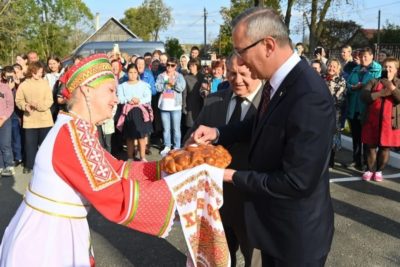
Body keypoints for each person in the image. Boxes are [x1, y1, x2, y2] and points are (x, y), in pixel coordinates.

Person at [189, 7, 335, 266]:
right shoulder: (280, 81)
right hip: (274, 230)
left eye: (242, 52)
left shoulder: (308, 95)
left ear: (268, 45)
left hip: (294, 241)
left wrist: (228, 175)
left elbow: (297, 182)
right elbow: (263, 123)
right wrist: (219, 132)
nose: (240, 62)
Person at [0, 54, 176, 266]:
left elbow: (118, 169)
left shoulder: (76, 128)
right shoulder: (73, 133)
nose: (116, 99)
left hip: (55, 232)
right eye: (110, 90)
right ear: (86, 90)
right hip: (47, 243)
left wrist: (167, 168)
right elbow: (113, 194)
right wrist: (184, 188)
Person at [185, 54, 263, 267]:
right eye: (232, 73)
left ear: (257, 71)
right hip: (215, 202)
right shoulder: (213, 101)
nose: (237, 79)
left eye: (244, 74)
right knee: (216, 259)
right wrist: (194, 143)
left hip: (253, 203)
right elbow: (189, 143)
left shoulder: (271, 105)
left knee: (255, 261)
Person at [360, 57, 400, 182]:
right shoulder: (374, 81)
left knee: (385, 148)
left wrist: (391, 87)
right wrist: (380, 93)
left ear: (396, 70)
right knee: (370, 146)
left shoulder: (398, 83)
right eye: (385, 67)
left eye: (390, 67)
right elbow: (364, 96)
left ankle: (379, 171)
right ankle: (369, 169)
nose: (387, 69)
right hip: (372, 120)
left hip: (389, 123)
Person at [346, 47, 381, 170]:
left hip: (366, 109)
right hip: (354, 107)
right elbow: (348, 84)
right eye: (361, 56)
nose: (363, 59)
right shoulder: (356, 69)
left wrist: (363, 86)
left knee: (366, 137)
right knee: (356, 136)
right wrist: (352, 87)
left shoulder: (377, 70)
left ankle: (368, 162)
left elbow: (376, 86)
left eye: (366, 56)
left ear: (372, 56)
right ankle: (356, 161)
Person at [15, 62, 54, 174]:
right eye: (40, 72)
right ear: (33, 72)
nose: (42, 74)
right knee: (29, 144)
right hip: (30, 120)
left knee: (44, 146)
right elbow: (18, 100)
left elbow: (49, 100)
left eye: (42, 72)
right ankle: (29, 164)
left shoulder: (45, 83)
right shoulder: (24, 85)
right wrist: (26, 106)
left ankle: (45, 166)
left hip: (45, 120)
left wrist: (38, 106)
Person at [117, 64, 153, 161]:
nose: (132, 75)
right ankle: (130, 157)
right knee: (129, 137)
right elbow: (120, 99)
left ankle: (142, 157)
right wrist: (128, 100)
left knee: (141, 136)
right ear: (127, 73)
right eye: (130, 72)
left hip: (140, 112)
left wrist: (139, 100)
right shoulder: (122, 86)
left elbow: (148, 97)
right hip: (128, 113)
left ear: (138, 73)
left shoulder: (144, 85)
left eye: (135, 72)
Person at [155, 57, 186, 156]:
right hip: (164, 106)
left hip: (176, 107)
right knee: (166, 129)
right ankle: (167, 146)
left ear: (176, 66)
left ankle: (177, 147)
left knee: (176, 129)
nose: (169, 67)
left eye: (172, 65)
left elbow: (181, 88)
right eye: (168, 65)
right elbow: (158, 88)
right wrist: (166, 83)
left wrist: (174, 83)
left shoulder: (179, 76)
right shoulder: (161, 76)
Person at [323, 59, 347, 168]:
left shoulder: (341, 81)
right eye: (330, 66)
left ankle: (330, 160)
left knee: (332, 137)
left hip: (334, 113)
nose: (331, 68)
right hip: (320, 112)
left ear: (338, 69)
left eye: (334, 66)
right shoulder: (321, 78)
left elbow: (339, 99)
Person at [0, 70, 15, 177]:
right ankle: (1, 166)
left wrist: (3, 118)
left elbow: (10, 106)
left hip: (4, 120)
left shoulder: (5, 87)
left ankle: (9, 166)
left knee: (5, 144)